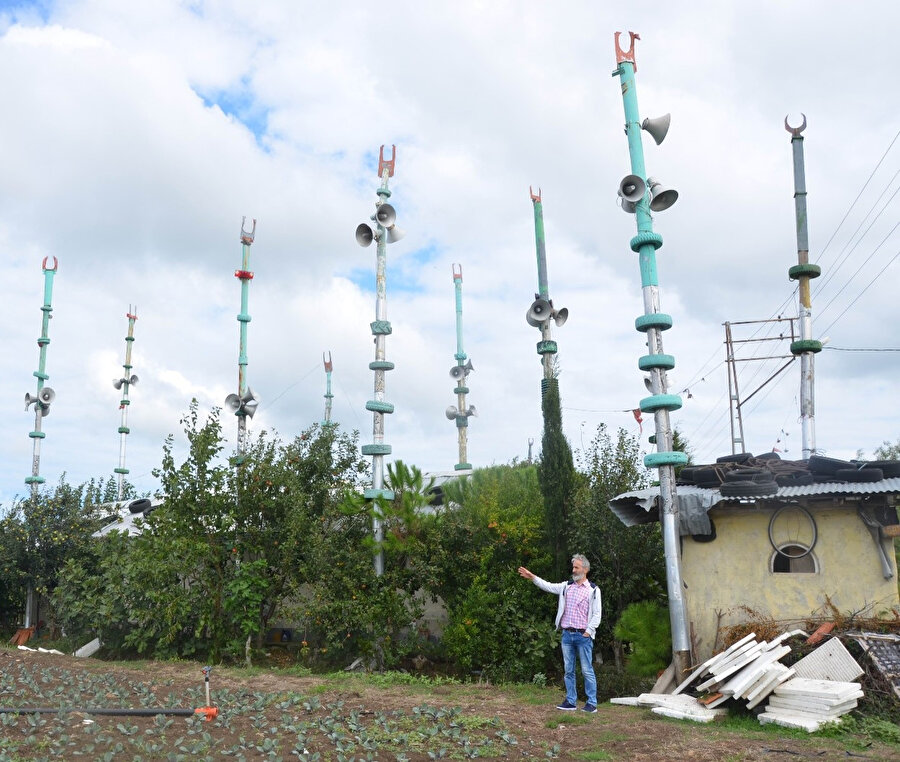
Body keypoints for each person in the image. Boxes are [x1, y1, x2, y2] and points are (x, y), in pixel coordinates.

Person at [518, 554, 601, 713]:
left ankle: (592, 704)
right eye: (573, 567)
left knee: (586, 670)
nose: (573, 570)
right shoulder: (566, 586)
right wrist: (533, 577)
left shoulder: (594, 590)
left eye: (576, 567)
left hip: (583, 637)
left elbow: (597, 614)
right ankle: (571, 701)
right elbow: (548, 586)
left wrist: (588, 632)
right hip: (567, 636)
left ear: (585, 569)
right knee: (568, 670)